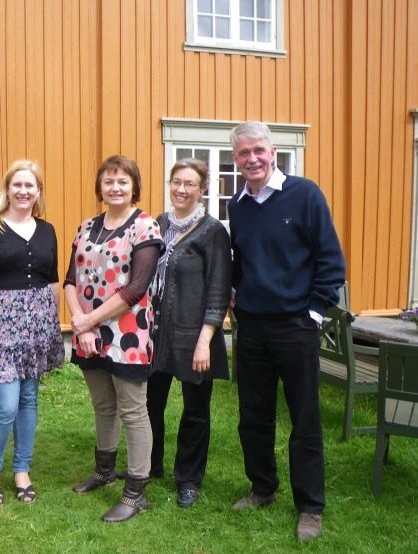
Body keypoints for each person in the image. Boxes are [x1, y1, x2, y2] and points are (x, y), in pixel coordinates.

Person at [227, 121, 346, 541]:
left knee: (305, 418)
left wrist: (313, 314)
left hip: (296, 327)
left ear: (273, 151)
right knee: (253, 415)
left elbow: (331, 261)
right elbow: (239, 259)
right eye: (244, 153)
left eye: (258, 150)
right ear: (236, 159)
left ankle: (310, 507)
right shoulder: (236, 204)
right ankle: (263, 488)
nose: (252, 159)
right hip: (252, 328)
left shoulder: (305, 194)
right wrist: (236, 289)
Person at [64, 155, 164, 523]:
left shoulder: (145, 227)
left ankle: (136, 493)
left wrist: (89, 320)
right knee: (103, 405)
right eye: (108, 181)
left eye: (123, 181)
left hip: (127, 334)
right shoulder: (87, 226)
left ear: (134, 186)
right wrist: (83, 325)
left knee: (133, 410)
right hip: (87, 332)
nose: (115, 187)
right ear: (100, 187)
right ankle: (104, 471)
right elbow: (70, 281)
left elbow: (137, 288)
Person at [0, 160, 65, 506]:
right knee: (5, 406)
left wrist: (53, 327)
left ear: (38, 191)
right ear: (7, 189)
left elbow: (51, 280)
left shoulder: (47, 229)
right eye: (17, 184)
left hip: (37, 324)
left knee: (29, 400)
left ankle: (22, 470)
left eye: (30, 185)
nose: (23, 191)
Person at [145, 158, 232, 509]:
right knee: (149, 405)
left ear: (203, 189)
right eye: (176, 182)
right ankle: (148, 466)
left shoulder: (212, 232)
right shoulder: (159, 224)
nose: (181, 189)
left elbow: (218, 289)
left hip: (196, 337)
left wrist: (205, 341)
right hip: (155, 335)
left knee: (195, 411)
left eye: (190, 184)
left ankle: (189, 479)